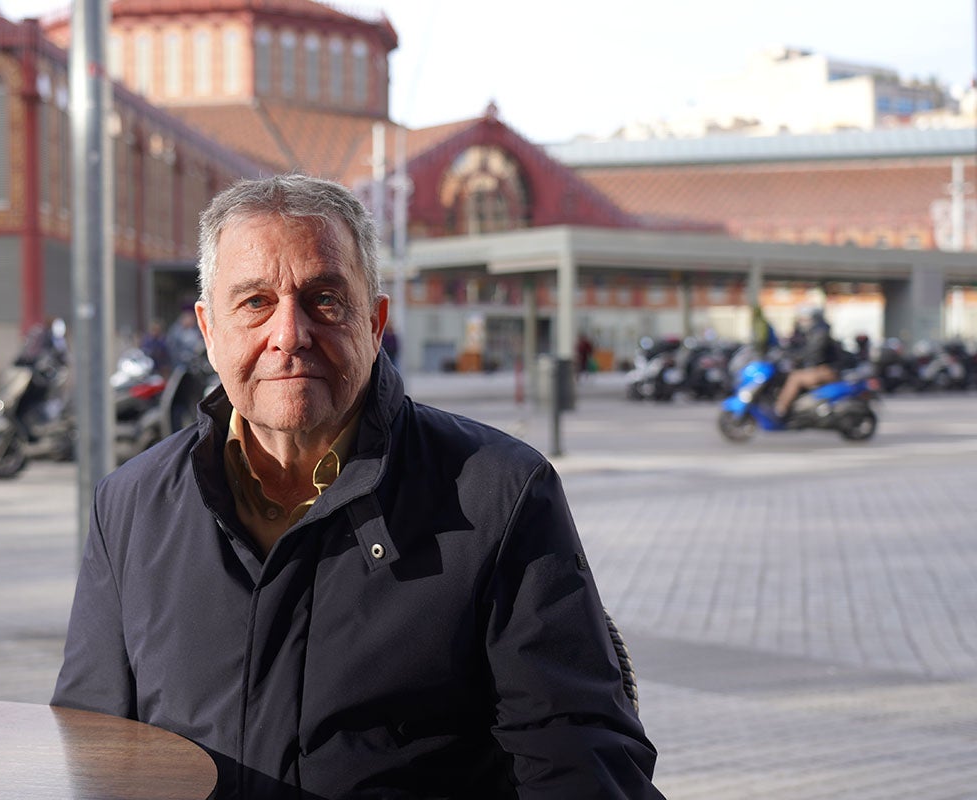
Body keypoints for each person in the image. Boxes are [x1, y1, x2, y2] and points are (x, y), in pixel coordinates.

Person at [52, 174, 662, 798]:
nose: (289, 334)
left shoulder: (499, 495)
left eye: (324, 299)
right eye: (256, 302)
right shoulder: (130, 506)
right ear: (209, 331)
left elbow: (577, 760)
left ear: (374, 322)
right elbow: (91, 749)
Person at [774, 307, 839, 419]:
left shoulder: (820, 333)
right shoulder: (809, 333)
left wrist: (795, 357)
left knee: (795, 378)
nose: (803, 322)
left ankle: (780, 410)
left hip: (826, 369)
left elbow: (813, 353)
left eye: (806, 319)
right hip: (818, 367)